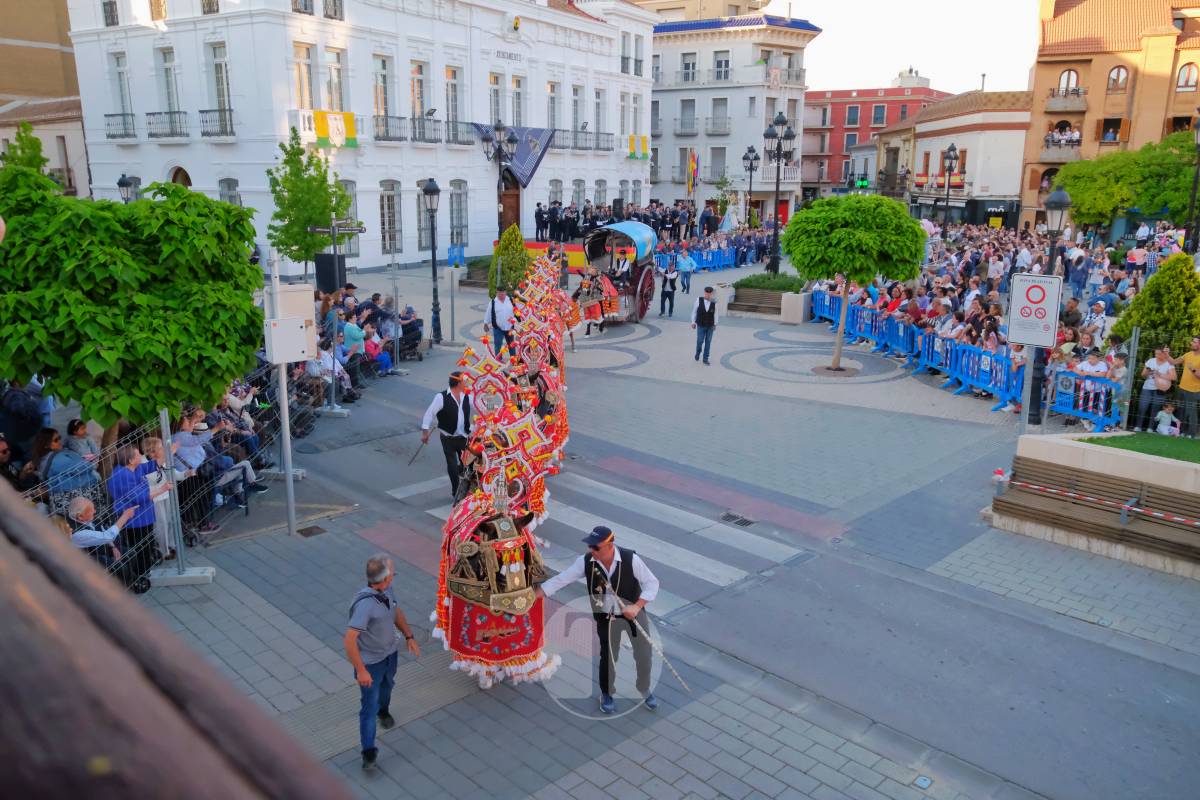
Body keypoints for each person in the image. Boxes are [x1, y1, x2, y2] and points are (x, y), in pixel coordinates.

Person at [535, 525, 659, 715]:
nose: (591, 550)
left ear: (610, 546)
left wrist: (637, 606)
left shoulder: (630, 559)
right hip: (606, 618)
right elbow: (562, 579)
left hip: (633, 614)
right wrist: (537, 594)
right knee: (608, 657)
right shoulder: (586, 562)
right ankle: (607, 693)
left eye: (595, 547)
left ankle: (643, 687)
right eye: (590, 546)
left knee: (644, 654)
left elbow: (652, 583)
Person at [344, 554, 420, 770]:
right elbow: (349, 640)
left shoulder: (387, 591)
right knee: (369, 706)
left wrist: (409, 636)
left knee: (388, 687)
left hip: (390, 655)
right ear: (385, 578)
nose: (394, 576)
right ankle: (368, 752)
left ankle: (383, 710)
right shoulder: (365, 606)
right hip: (371, 664)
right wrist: (361, 670)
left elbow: (395, 612)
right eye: (392, 573)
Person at [67, 496, 147, 593]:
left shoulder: (85, 518)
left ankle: (128, 582)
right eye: (91, 510)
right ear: (80, 516)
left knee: (130, 553)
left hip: (102, 548)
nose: (95, 511)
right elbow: (107, 536)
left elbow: (102, 530)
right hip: (92, 559)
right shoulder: (78, 533)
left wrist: (113, 546)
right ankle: (122, 588)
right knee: (120, 567)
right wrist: (125, 516)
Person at [420, 372, 472, 498]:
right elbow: (429, 414)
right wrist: (425, 432)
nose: (466, 383)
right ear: (458, 383)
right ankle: (456, 491)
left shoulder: (467, 395)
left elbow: (481, 404)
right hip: (448, 438)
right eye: (464, 381)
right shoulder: (441, 397)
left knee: (468, 464)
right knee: (452, 465)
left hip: (464, 437)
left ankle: (465, 483)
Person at [1134, 345, 1177, 432]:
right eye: (1155, 353)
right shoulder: (1151, 361)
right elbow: (1143, 375)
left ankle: (1150, 428)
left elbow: (1174, 377)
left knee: (1156, 409)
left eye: (1159, 354)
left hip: (1161, 389)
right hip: (1147, 388)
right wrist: (1147, 372)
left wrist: (1160, 374)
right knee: (1142, 407)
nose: (1157, 355)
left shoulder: (1169, 363)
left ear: (1164, 354)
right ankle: (1138, 426)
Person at [1171, 336, 1200, 438]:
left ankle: (1192, 434)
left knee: (1191, 413)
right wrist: (1166, 355)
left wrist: (1193, 369)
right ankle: (1181, 431)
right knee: (1181, 411)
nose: (1191, 343)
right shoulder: (1188, 354)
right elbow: (1174, 362)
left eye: (1194, 342)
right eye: (1192, 341)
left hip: (1194, 391)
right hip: (1182, 388)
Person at [485, 286, 516, 357]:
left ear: (506, 292)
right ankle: (498, 360)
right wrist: (486, 323)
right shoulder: (493, 302)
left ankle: (513, 359)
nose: (501, 295)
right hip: (498, 328)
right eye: (499, 294)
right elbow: (488, 313)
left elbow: (518, 310)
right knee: (497, 345)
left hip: (510, 328)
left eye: (503, 293)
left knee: (511, 344)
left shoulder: (511, 300)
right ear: (497, 293)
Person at [691, 286, 718, 365]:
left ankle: (705, 358)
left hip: (710, 325)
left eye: (709, 293)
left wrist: (715, 324)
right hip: (700, 324)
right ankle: (698, 352)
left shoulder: (714, 303)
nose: (708, 295)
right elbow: (694, 311)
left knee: (708, 342)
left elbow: (716, 314)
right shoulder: (698, 300)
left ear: (712, 293)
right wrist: (693, 322)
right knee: (700, 341)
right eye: (706, 293)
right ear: (704, 293)